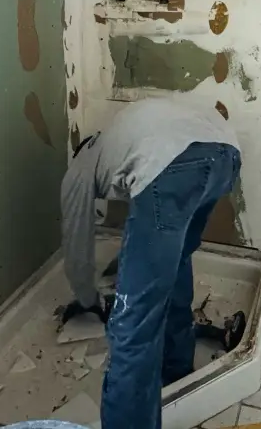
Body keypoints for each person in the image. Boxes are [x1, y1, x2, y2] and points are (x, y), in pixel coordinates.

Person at [59, 97, 242, 429]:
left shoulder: (79, 168)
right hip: (225, 156)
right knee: (176, 263)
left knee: (133, 324)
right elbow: (154, 245)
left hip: (173, 162)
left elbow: (76, 244)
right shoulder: (122, 138)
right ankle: (175, 370)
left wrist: (89, 299)